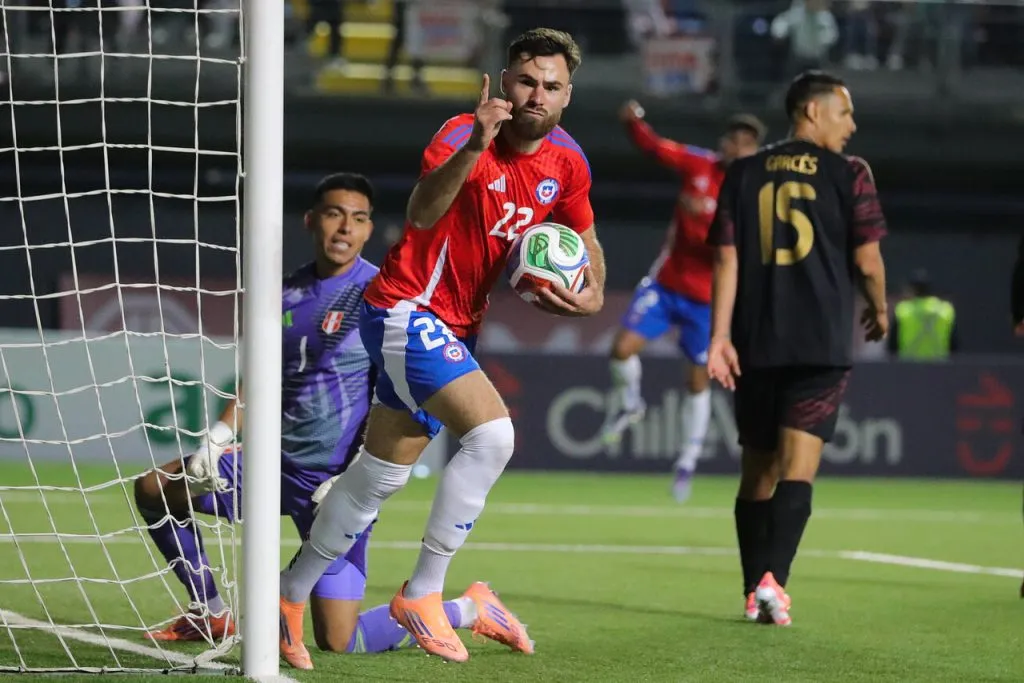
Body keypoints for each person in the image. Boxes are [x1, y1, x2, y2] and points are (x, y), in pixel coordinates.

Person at [278, 27, 605, 666]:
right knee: (494, 436)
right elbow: (423, 213)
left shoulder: (568, 161)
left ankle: (290, 597)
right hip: (405, 308)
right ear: (505, 82)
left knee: (378, 476)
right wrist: (477, 146)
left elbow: (586, 236)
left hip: (456, 326)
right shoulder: (460, 133)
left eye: (552, 85)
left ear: (568, 96)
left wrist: (592, 293)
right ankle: (423, 594)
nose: (537, 94)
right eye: (526, 81)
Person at [134, 173, 523, 658]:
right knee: (155, 489)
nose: (345, 228)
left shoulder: (384, 295)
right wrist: (219, 435)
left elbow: (401, 391)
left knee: (339, 640)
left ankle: (469, 608)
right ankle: (211, 612)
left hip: (337, 484)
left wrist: (357, 470)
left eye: (358, 219)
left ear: (367, 230)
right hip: (273, 466)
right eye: (335, 214)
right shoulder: (282, 293)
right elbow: (261, 377)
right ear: (311, 221)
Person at [705, 70, 888, 626]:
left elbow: (726, 258)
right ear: (812, 111)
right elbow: (867, 259)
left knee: (756, 471)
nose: (851, 126)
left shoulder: (742, 172)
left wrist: (718, 336)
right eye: (844, 113)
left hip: (756, 340)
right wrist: (879, 307)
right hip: (821, 342)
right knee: (798, 471)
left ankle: (751, 590)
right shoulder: (850, 172)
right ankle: (773, 583)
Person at [603, 100, 765, 503]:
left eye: (747, 143)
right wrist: (633, 123)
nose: (738, 147)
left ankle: (687, 460)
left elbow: (737, 252)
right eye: (734, 139)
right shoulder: (699, 165)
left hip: (707, 300)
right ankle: (629, 403)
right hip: (666, 284)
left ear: (756, 152)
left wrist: (709, 222)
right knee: (621, 348)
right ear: (724, 142)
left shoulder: (753, 197)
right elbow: (657, 148)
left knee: (697, 381)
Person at [888, 269, 958, 360]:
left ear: (912, 289)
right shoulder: (945, 310)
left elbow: (892, 346)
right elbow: (954, 345)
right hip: (940, 368)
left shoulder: (903, 310)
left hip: (908, 368)